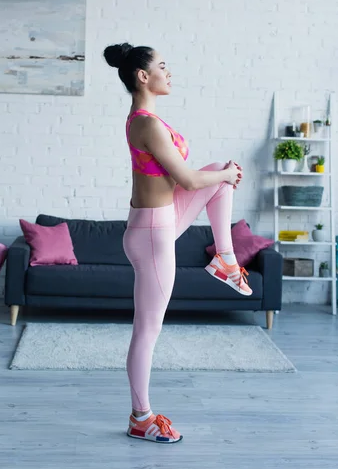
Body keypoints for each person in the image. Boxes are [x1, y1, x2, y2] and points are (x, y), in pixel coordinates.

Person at [103, 42, 252, 444]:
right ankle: (141, 417)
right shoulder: (146, 123)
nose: (170, 73)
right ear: (142, 76)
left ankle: (225, 259)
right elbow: (186, 180)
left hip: (161, 222)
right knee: (147, 329)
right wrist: (224, 178)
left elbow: (189, 180)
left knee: (221, 171)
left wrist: (224, 176)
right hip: (152, 234)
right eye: (163, 67)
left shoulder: (149, 119)